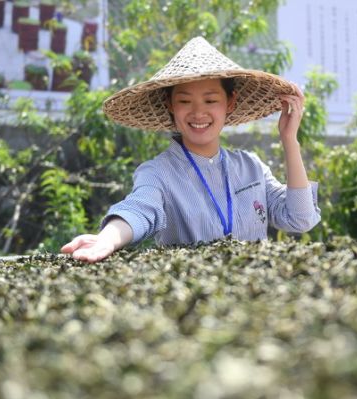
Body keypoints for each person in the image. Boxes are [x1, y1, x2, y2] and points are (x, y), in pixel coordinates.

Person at [61, 37, 321, 262]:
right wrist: (108, 238)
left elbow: (300, 219)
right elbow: (139, 208)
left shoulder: (251, 167)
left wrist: (289, 140)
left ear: (229, 103)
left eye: (210, 100)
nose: (198, 113)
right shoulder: (158, 172)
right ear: (170, 104)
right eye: (185, 101)